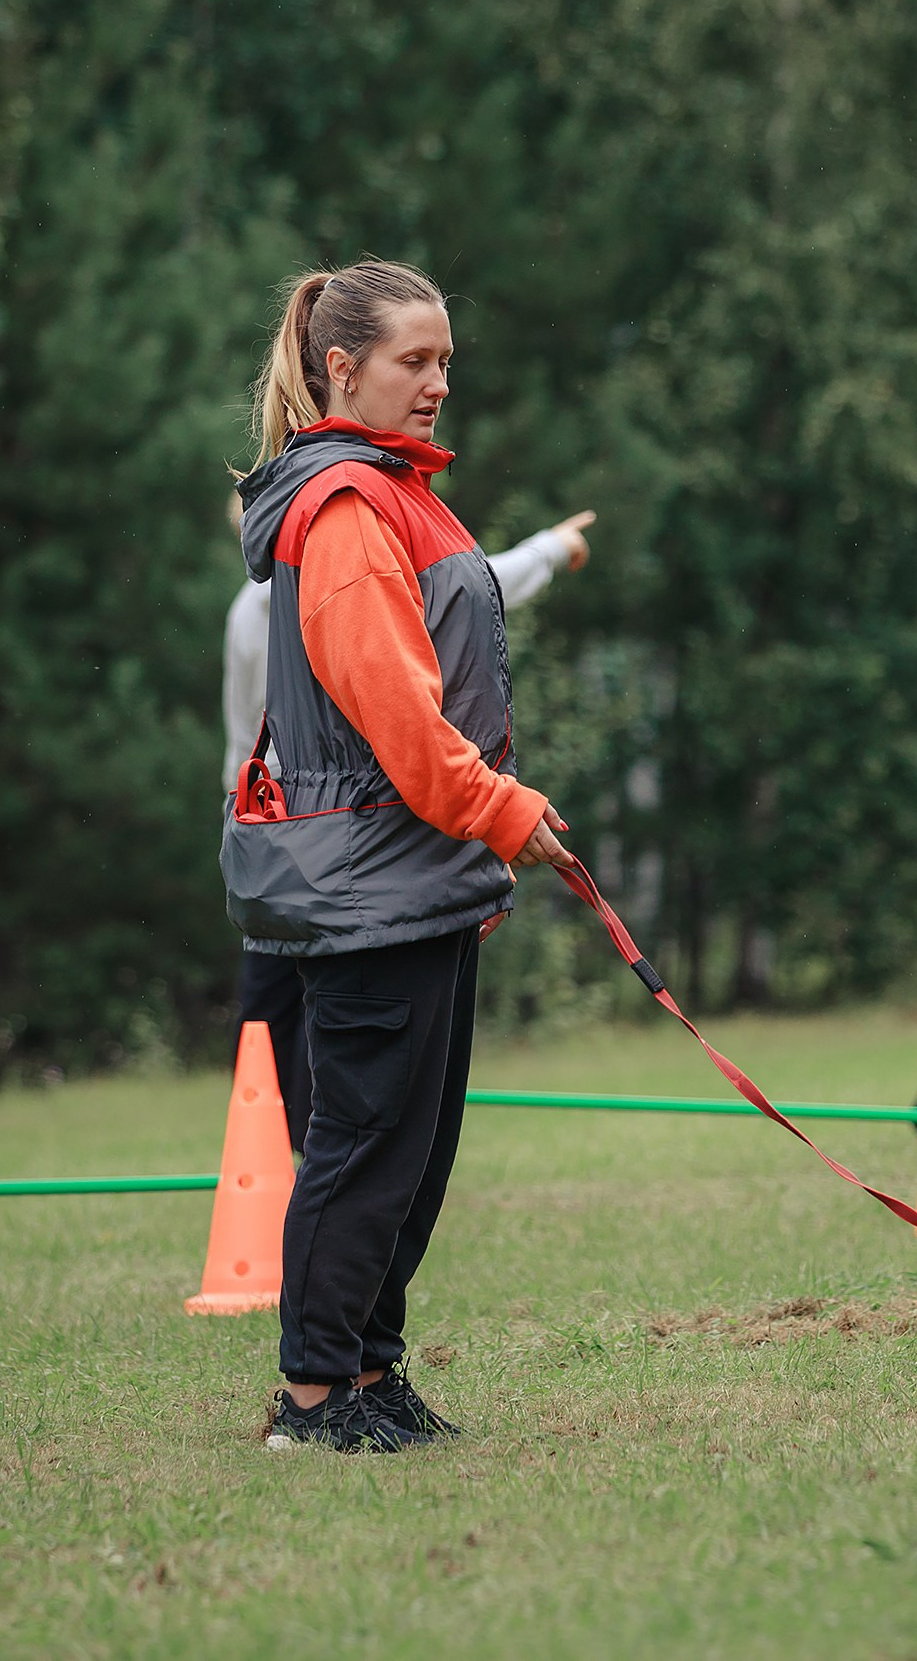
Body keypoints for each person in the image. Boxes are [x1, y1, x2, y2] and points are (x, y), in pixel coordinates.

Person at [225, 260, 573, 1451]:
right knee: (366, 1142)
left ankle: (371, 1375)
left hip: (417, 874)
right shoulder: (345, 510)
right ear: (341, 368)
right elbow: (401, 722)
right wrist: (503, 810)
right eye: (411, 362)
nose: (436, 385)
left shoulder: (393, 493)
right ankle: (313, 1398)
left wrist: (486, 822)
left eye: (444, 363)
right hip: (369, 878)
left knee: (412, 1154)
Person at [224, 485, 594, 1152]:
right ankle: (307, 1167)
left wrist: (241, 819)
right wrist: (551, 548)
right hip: (343, 833)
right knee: (318, 1025)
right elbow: (480, 588)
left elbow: (239, 736)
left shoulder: (249, 611)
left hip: (275, 830)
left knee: (279, 1011)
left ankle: (293, 1161)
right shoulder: (346, 568)